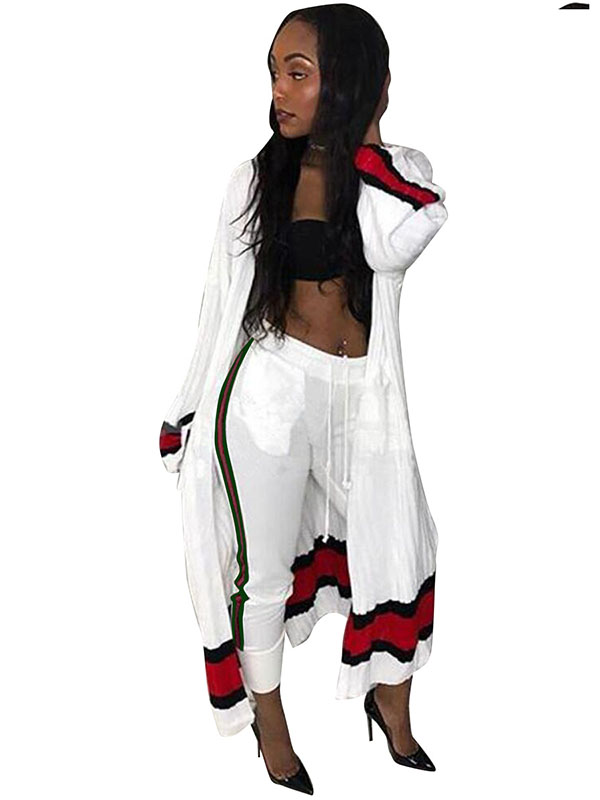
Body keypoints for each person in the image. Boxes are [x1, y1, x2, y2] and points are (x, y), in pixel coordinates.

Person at [159, 5, 448, 793]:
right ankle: (273, 728)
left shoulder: (400, 174)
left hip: (366, 402)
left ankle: (391, 707)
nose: (278, 92)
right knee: (265, 578)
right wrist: (187, 407)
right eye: (274, 73)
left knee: (400, 549)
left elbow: (398, 240)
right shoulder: (256, 179)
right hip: (270, 397)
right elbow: (217, 305)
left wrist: (366, 134)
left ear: (350, 82)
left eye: (299, 73)